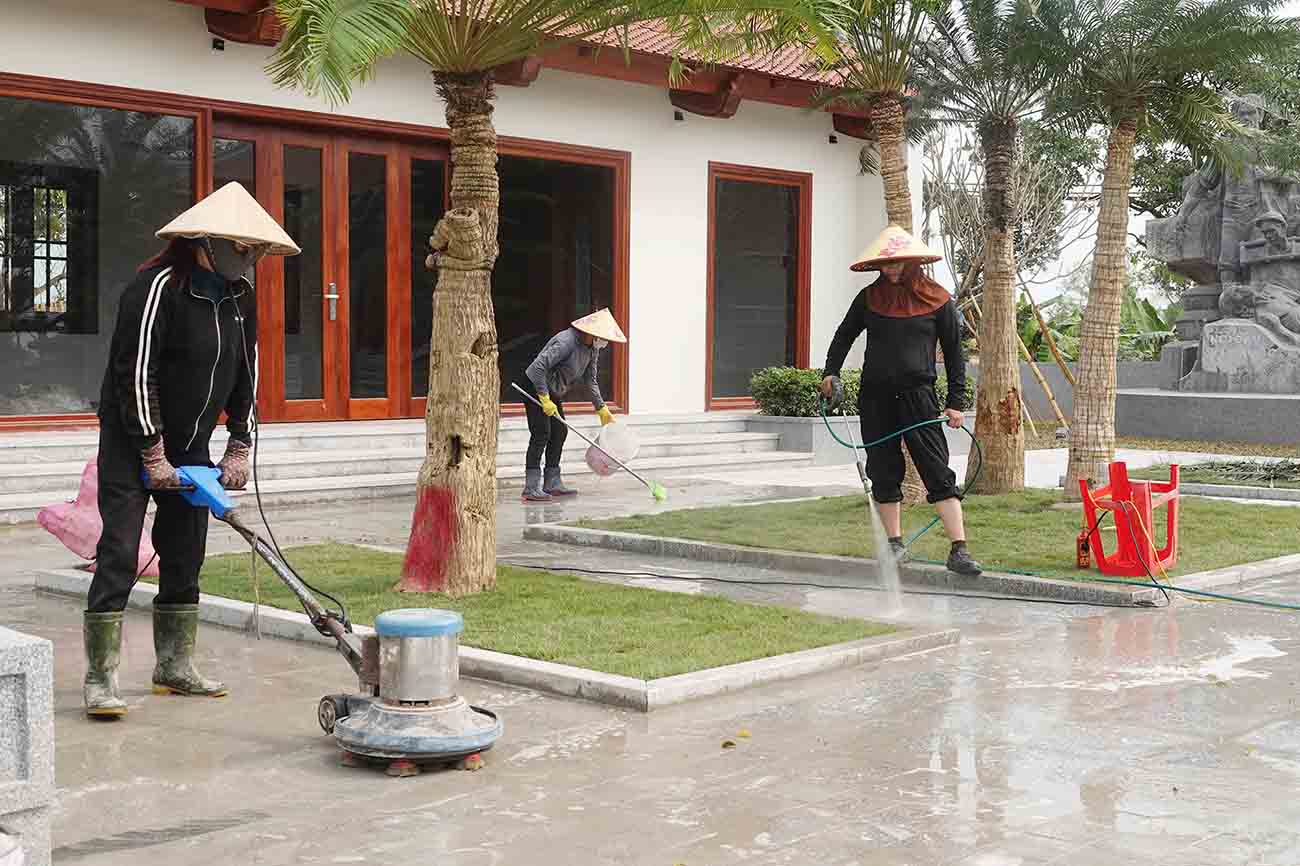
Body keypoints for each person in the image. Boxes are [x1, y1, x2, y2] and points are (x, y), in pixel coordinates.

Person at [83, 182, 300, 719]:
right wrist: (151, 452)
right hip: (132, 441)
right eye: (242, 247)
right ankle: (100, 676)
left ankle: (174, 665)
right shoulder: (156, 286)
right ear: (207, 240)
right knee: (118, 551)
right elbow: (133, 373)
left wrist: (241, 443)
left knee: (186, 554)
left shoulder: (238, 297)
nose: (250, 258)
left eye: (256, 250)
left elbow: (246, 372)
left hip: (195, 445)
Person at [819, 226, 982, 576]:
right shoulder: (869, 298)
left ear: (913, 264)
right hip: (875, 398)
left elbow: (955, 355)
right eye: (887, 266)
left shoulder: (938, 299)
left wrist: (956, 402)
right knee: (882, 470)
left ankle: (959, 550)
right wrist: (830, 372)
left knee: (937, 470)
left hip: (919, 397)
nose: (892, 271)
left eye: (898, 265)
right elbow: (843, 335)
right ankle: (893, 545)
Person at [520, 308, 627, 501]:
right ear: (591, 333)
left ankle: (552, 482)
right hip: (534, 384)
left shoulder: (592, 349)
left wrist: (602, 409)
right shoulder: (566, 341)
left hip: (553, 388)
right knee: (542, 432)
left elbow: (590, 380)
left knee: (560, 431)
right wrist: (544, 398)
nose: (604, 342)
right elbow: (537, 368)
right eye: (602, 337)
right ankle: (531, 487)